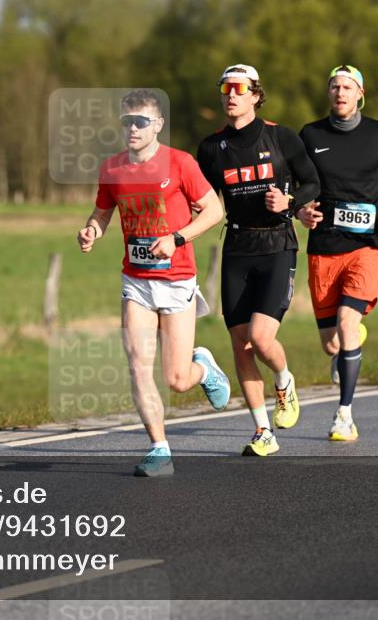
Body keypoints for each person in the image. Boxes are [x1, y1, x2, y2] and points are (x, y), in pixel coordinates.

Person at [78, 88, 231, 477]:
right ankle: (159, 449)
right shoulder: (112, 168)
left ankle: (204, 368)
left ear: (158, 125)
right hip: (137, 281)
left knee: (177, 380)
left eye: (140, 121)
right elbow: (101, 212)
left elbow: (214, 210)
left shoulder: (180, 164)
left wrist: (177, 238)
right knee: (137, 366)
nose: (132, 128)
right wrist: (92, 231)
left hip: (177, 278)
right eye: (127, 121)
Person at [196, 64, 321, 457]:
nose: (231, 95)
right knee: (240, 344)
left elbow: (314, 183)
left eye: (239, 88)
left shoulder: (281, 136)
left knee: (260, 337)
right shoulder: (210, 148)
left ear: (255, 94)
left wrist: (291, 202)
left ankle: (284, 381)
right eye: (225, 88)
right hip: (236, 247)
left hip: (277, 245)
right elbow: (197, 199)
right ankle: (263, 431)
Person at [297, 65, 378, 441]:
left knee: (348, 324)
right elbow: (296, 182)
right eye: (334, 86)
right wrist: (300, 210)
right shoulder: (310, 134)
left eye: (347, 87)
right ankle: (347, 347)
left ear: (360, 93)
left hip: (366, 244)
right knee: (331, 342)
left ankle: (344, 416)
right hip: (324, 247)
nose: (340, 92)